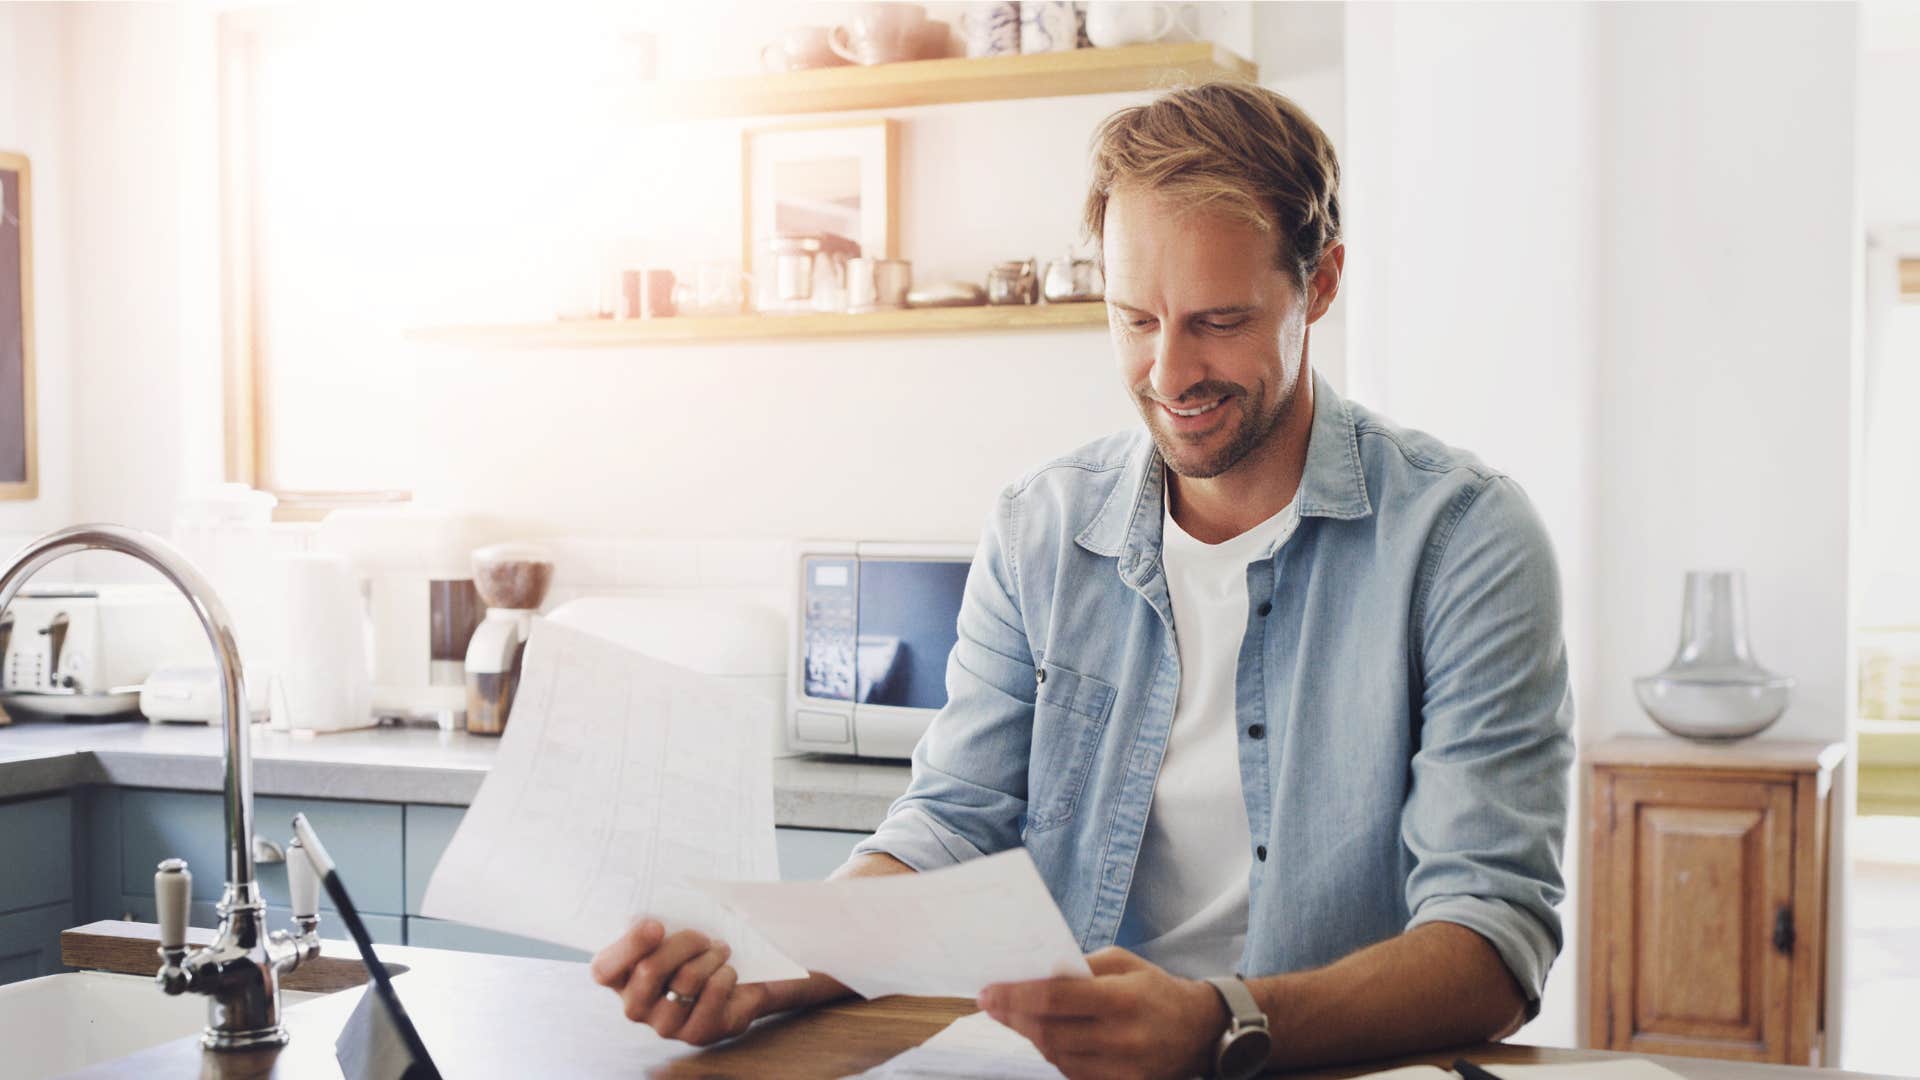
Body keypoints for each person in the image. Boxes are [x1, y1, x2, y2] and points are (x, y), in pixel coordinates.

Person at [591, 81, 1573, 1080]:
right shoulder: (1041, 528)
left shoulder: (1462, 541)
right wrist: (771, 966)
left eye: (1219, 321)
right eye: (1134, 318)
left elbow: (1491, 939)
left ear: (1319, 286)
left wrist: (1217, 1022)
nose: (1169, 371)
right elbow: (950, 827)